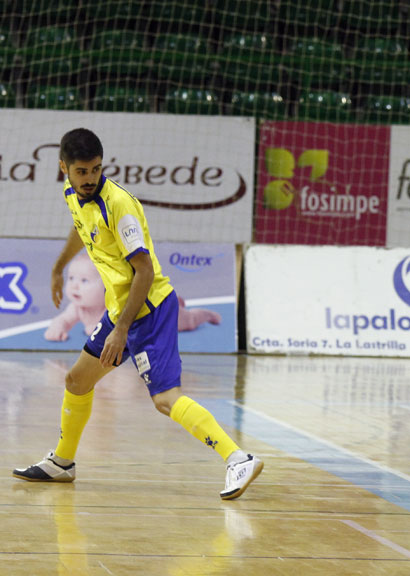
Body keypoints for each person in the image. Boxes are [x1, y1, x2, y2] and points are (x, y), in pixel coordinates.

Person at [14, 128, 262, 500]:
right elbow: (82, 230)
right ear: (63, 168)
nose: (89, 179)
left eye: (96, 170)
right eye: (81, 171)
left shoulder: (120, 206)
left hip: (147, 310)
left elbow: (144, 271)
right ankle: (62, 463)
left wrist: (121, 330)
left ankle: (238, 458)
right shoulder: (73, 193)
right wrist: (57, 267)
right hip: (120, 309)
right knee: (77, 382)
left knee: (165, 399)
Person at [44, 250, 221, 342]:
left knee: (187, 322)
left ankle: (206, 314)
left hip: (160, 312)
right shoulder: (77, 307)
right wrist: (57, 328)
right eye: (71, 278)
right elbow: (64, 320)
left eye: (84, 281)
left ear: (109, 287)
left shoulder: (116, 304)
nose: (75, 285)